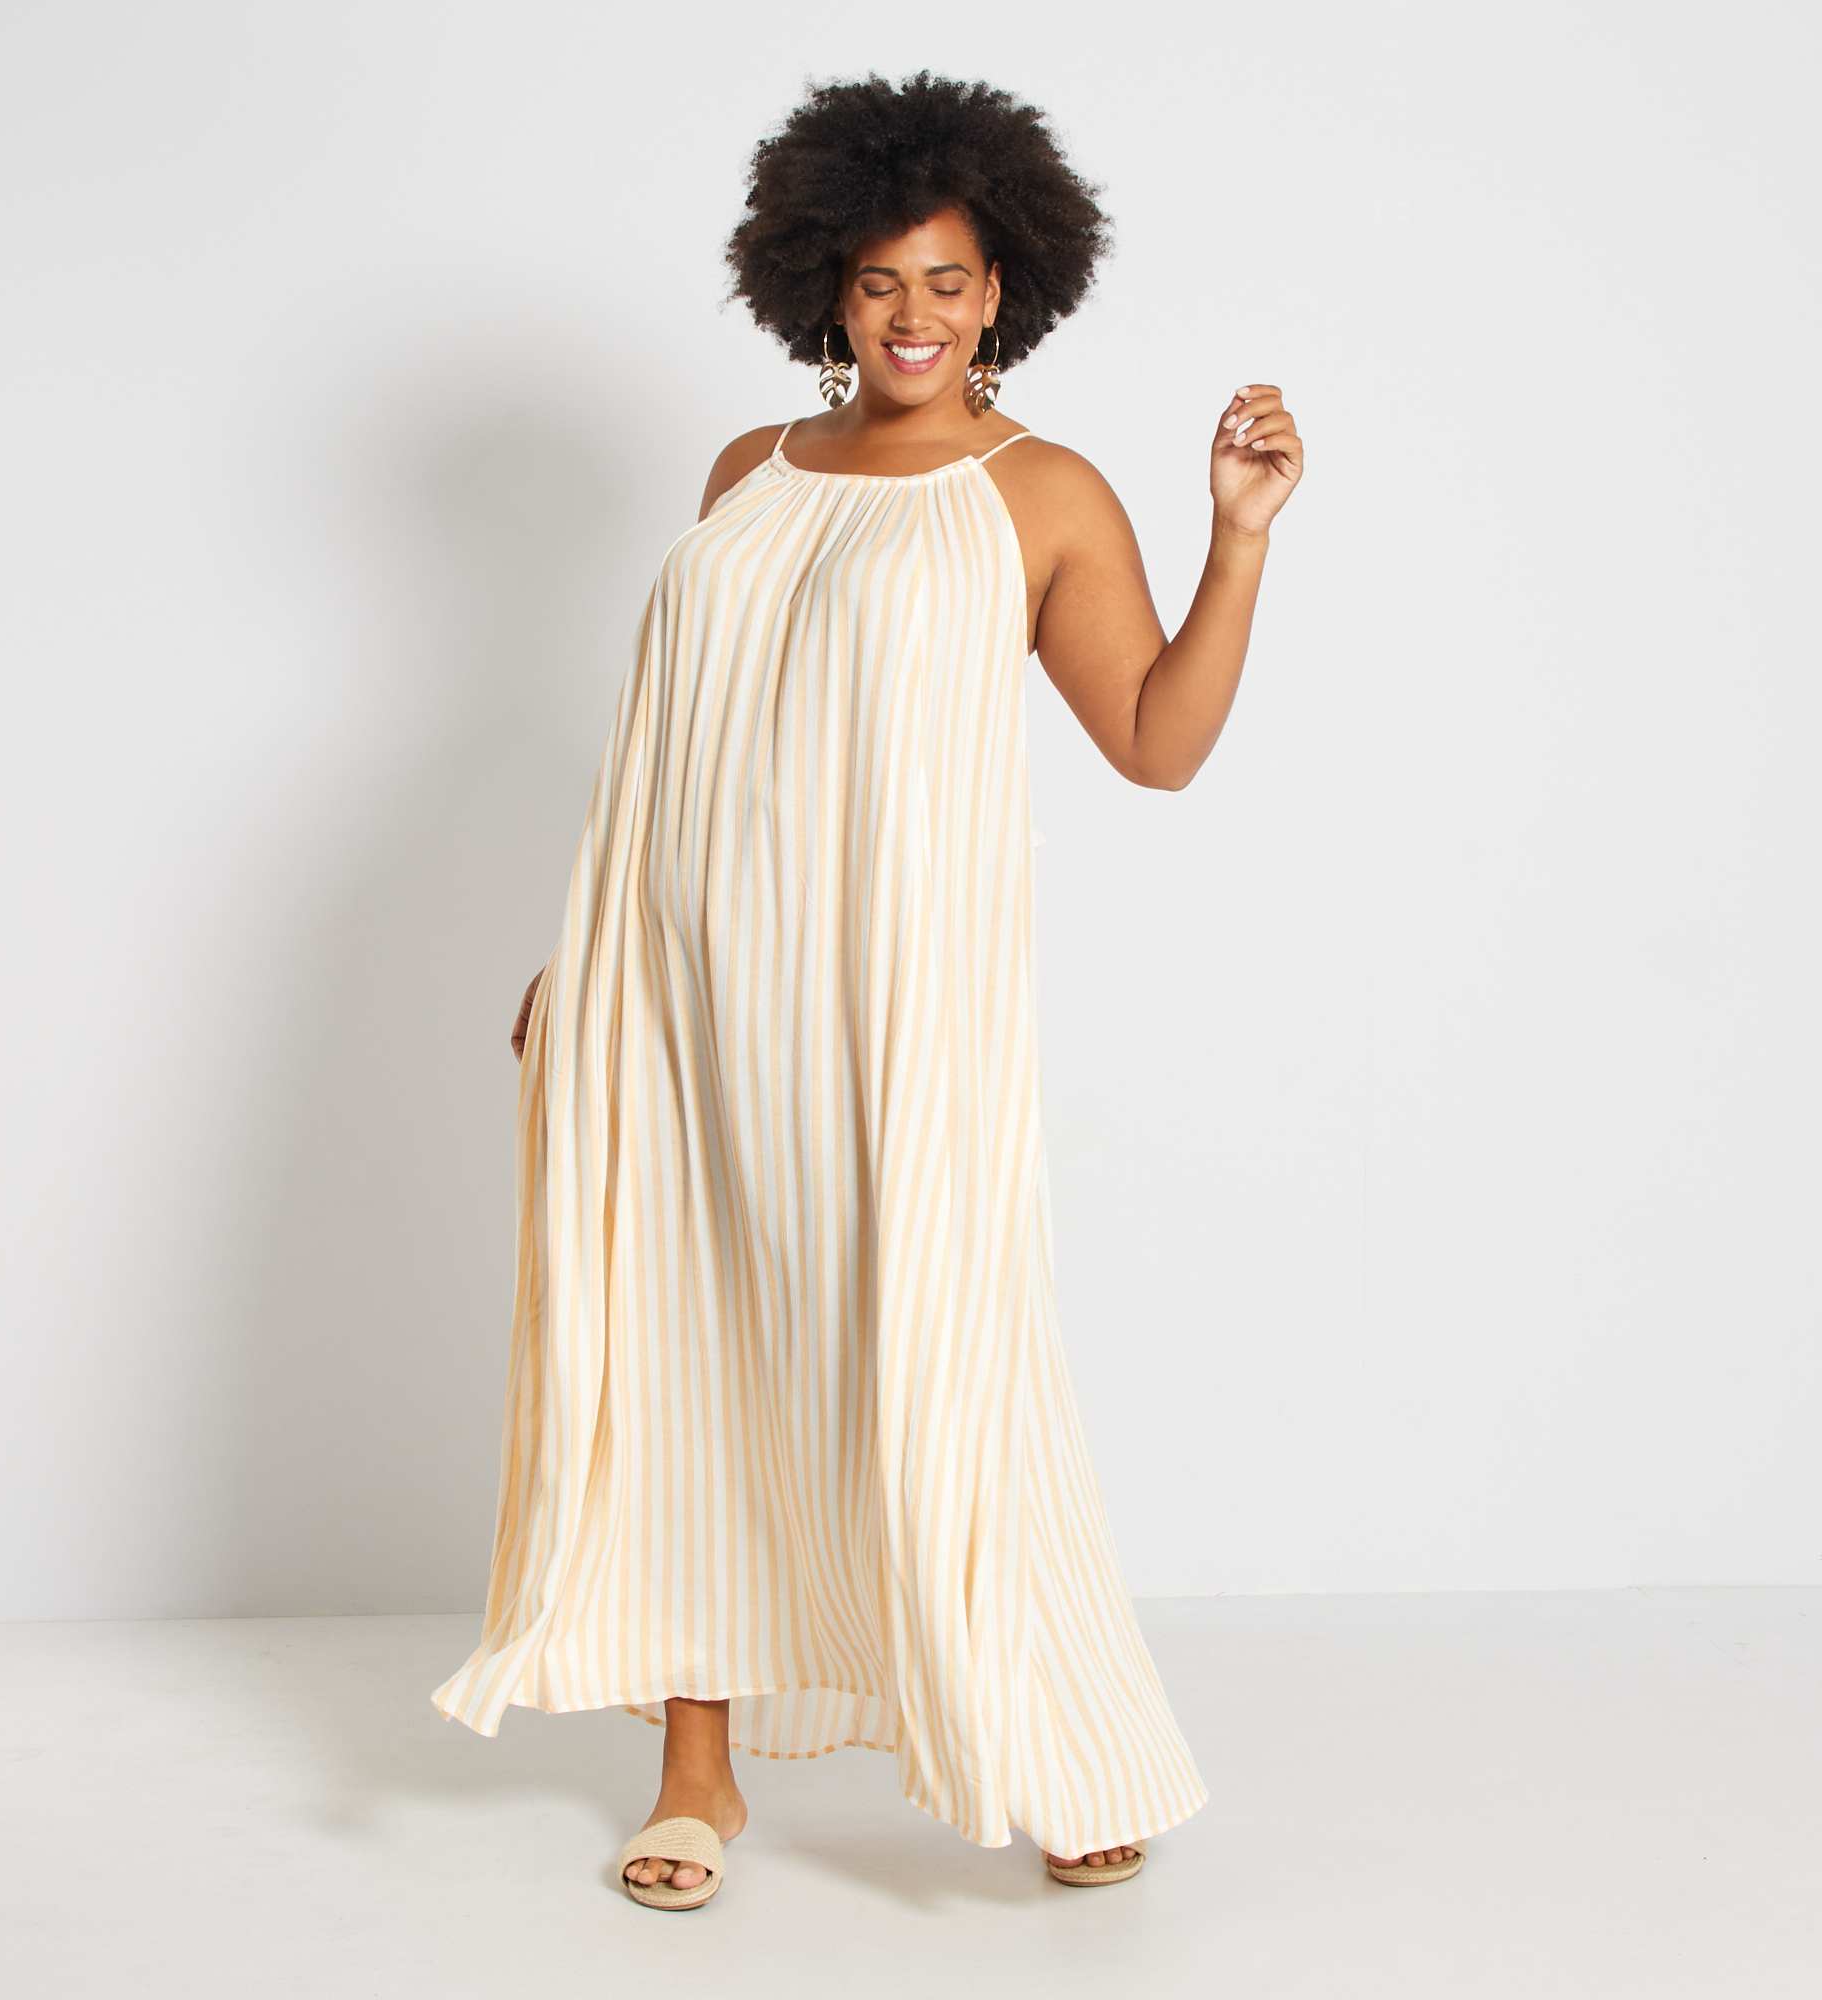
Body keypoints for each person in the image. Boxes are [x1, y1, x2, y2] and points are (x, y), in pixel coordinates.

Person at [430, 68, 1304, 1910]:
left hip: (895, 1009)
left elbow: (1157, 743)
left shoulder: (1039, 493)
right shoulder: (748, 474)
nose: (915, 314)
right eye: (883, 278)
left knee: (942, 1353)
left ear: (1006, 292)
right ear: (823, 283)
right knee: (681, 1355)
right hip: (677, 1000)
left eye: (951, 281)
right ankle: (696, 1774)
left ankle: (1055, 1741)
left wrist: (1236, 540)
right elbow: (677, 752)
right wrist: (584, 959)